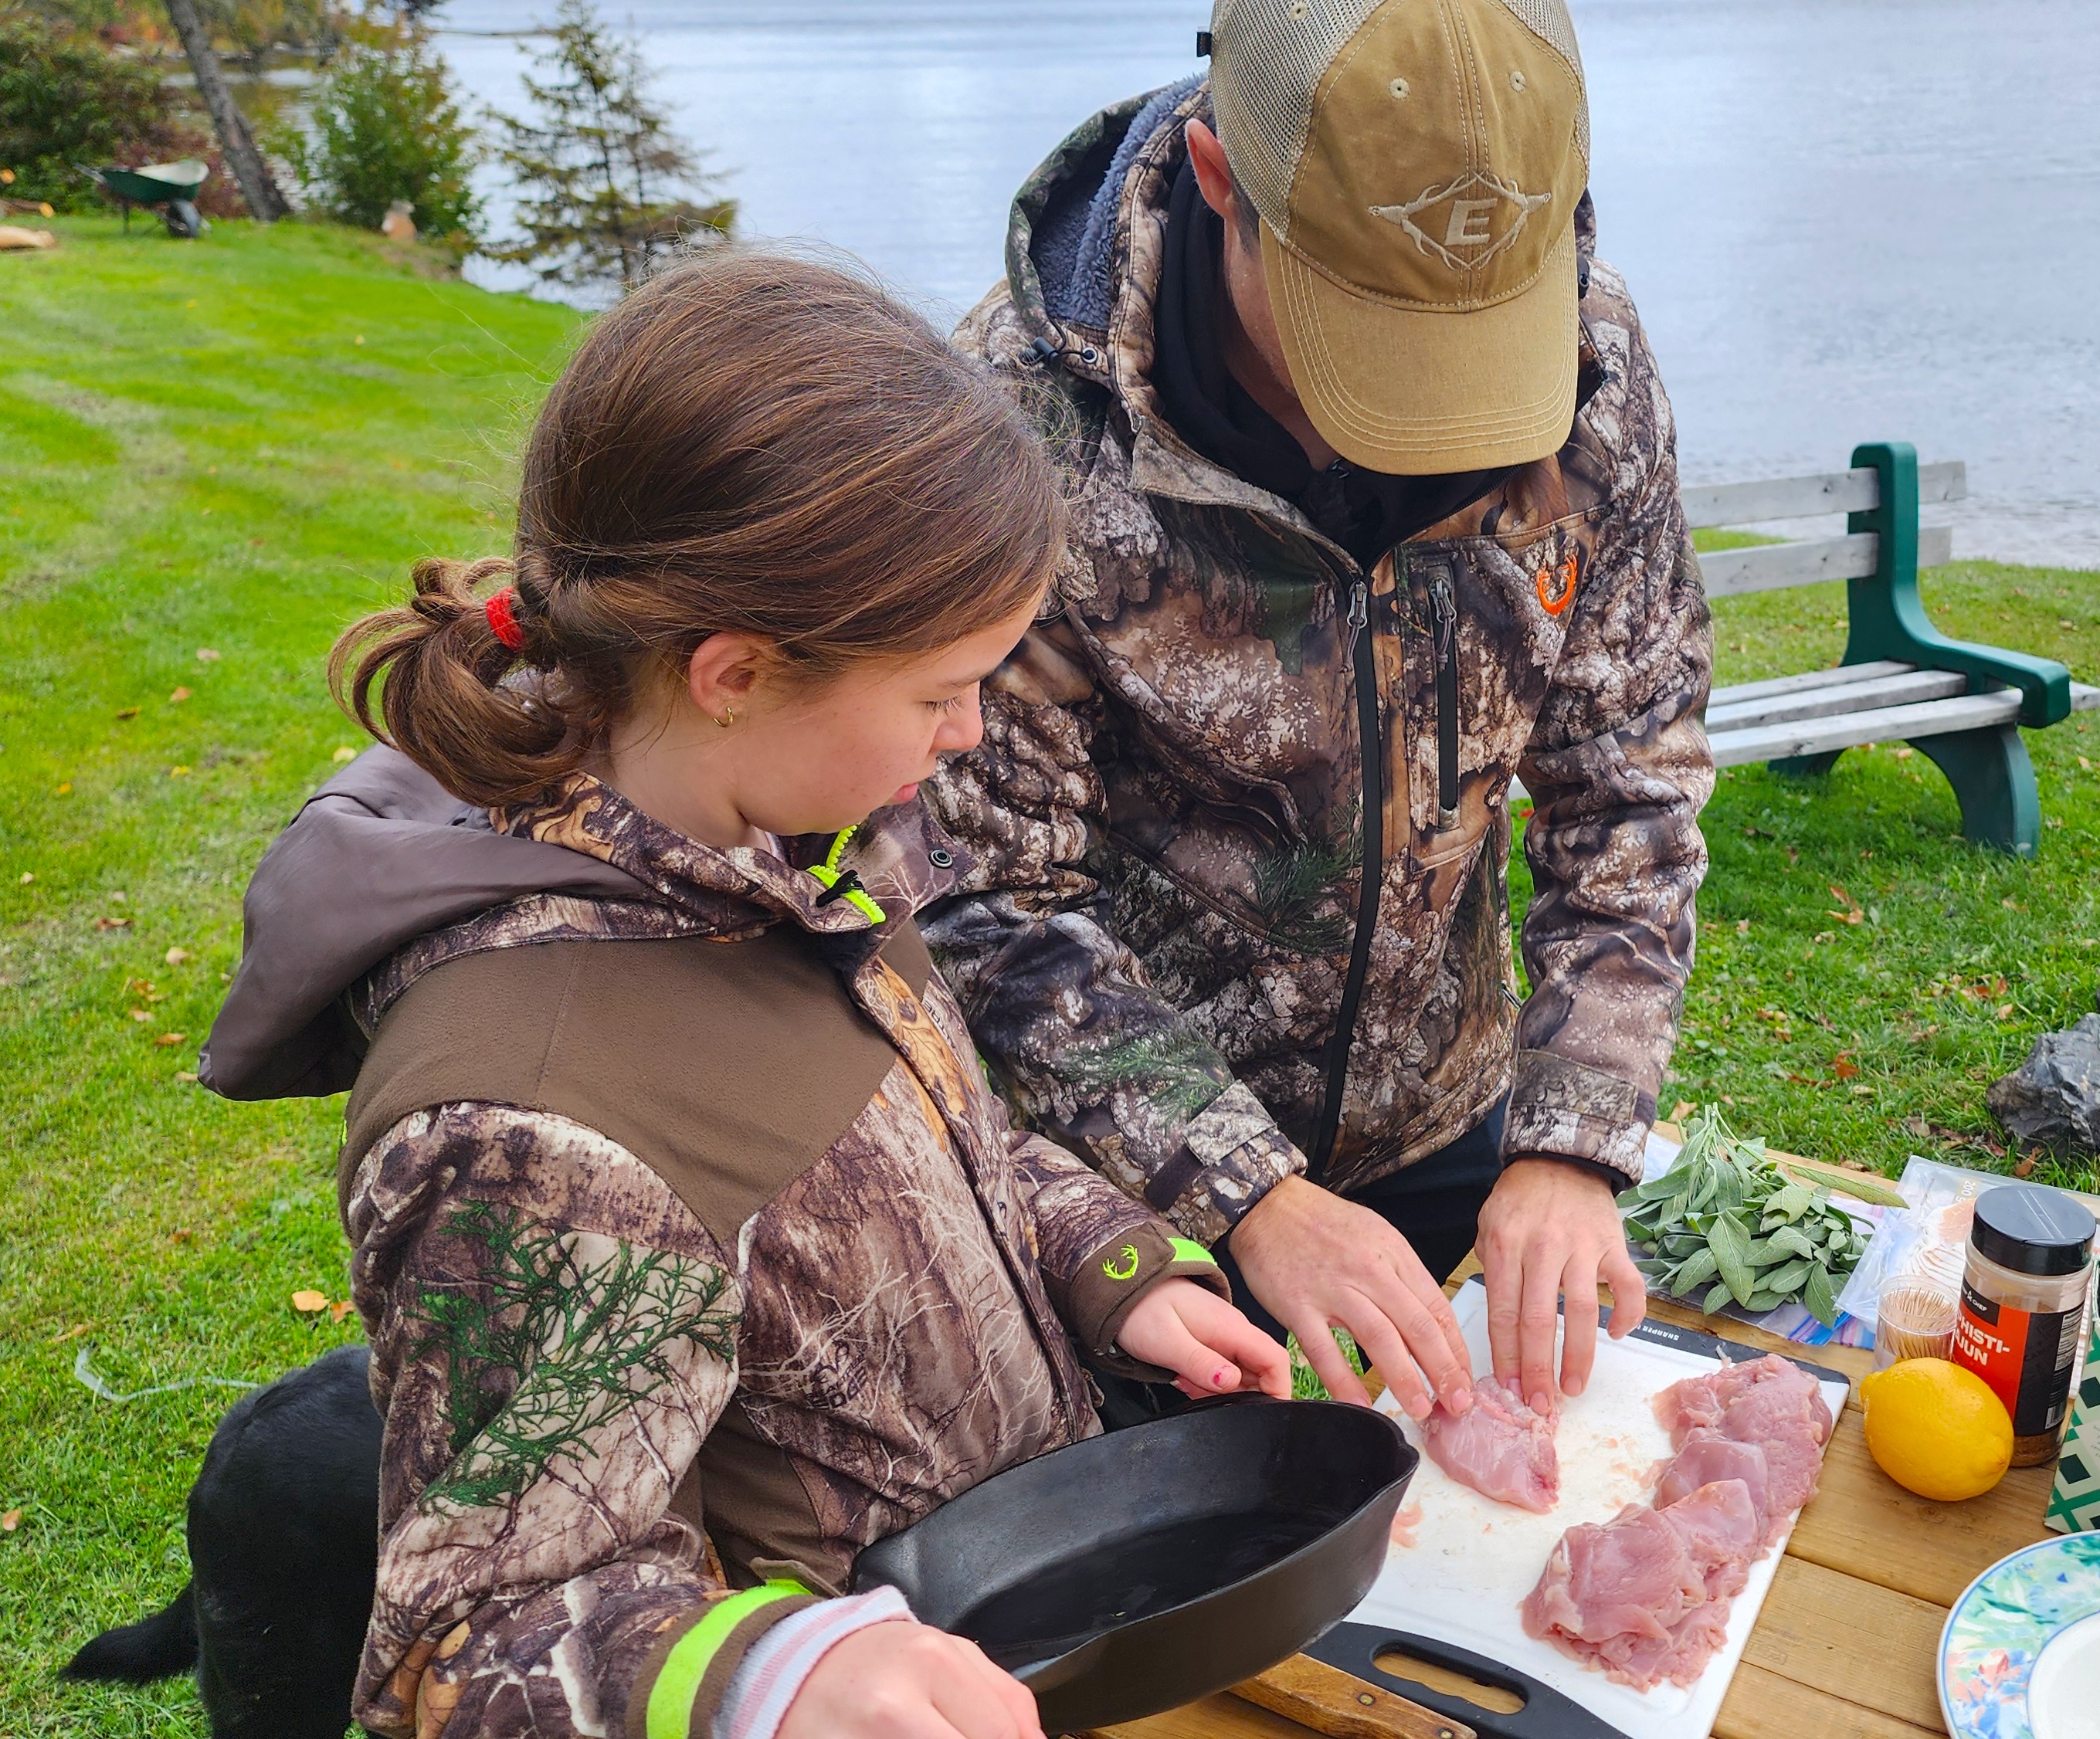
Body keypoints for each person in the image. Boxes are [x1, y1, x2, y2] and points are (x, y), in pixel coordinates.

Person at [202, 251, 1287, 1739]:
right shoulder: (532, 1120)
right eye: (937, 690)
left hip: (1002, 1604)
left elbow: (934, 1134)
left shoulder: (799, 845)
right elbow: (467, 1640)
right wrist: (772, 1677)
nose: (972, 733)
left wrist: (1116, 1265)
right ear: (734, 671)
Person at [931, 0, 1712, 1420]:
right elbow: (978, 899)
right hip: (1131, 1199)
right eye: (1375, 332)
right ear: (1220, 178)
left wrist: (1573, 1136)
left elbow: (1633, 778)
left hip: (1449, 1112)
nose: (1437, 422)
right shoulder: (1022, 434)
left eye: (1469, 338)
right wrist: (1243, 1193)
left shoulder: (1589, 366)